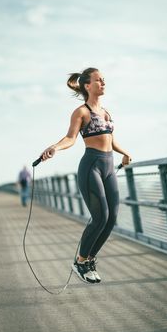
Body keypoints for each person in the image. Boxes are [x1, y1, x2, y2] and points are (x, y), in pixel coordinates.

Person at [40, 67, 132, 284]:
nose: (103, 83)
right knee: (100, 216)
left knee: (111, 219)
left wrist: (125, 153)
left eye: (104, 80)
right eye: (98, 81)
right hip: (91, 166)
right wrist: (55, 147)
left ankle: (90, 259)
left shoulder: (106, 112)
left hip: (109, 166)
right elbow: (70, 138)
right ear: (87, 86)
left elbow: (110, 139)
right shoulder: (81, 112)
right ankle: (80, 262)